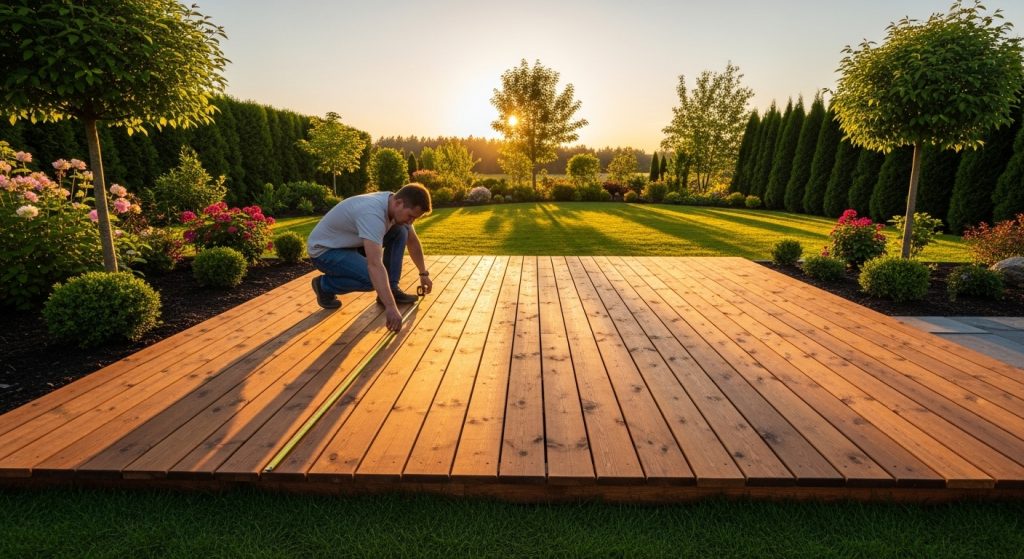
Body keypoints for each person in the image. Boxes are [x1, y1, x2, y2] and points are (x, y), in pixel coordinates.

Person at [306, 183, 433, 332]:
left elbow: (412, 241)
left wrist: (423, 273)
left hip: (349, 244)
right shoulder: (372, 214)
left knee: (402, 230)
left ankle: (391, 289)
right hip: (325, 251)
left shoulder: (394, 203)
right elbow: (374, 265)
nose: (411, 221)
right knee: (371, 279)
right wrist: (391, 307)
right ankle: (324, 286)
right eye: (410, 216)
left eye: (414, 218)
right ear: (398, 203)